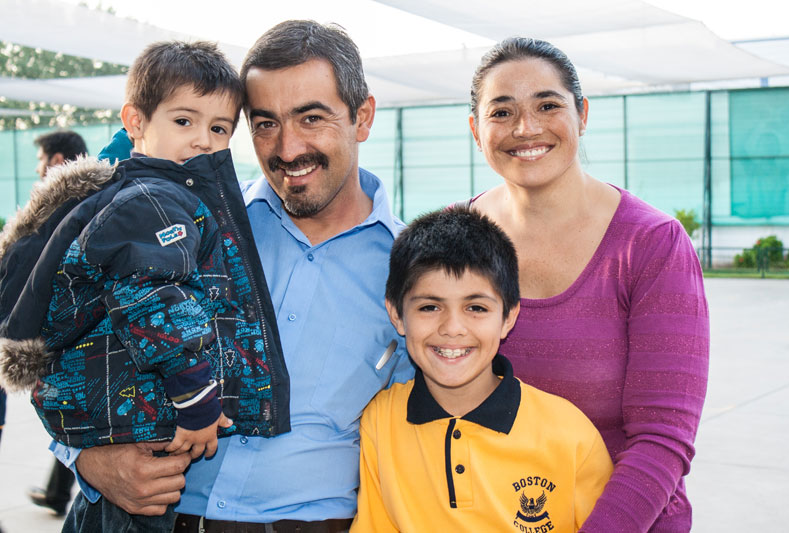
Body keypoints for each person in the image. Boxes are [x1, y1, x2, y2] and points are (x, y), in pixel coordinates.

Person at [49, 20, 414, 532]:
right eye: (265, 123)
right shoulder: (181, 224)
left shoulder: (411, 271)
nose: (287, 149)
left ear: (363, 116)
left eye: (311, 118)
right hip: (139, 516)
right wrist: (85, 459)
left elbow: (419, 432)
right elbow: (64, 337)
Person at [0, 40, 290, 531]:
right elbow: (156, 303)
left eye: (218, 128)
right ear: (135, 122)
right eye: (184, 121)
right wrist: (197, 400)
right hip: (135, 433)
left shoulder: (158, 194)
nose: (202, 140)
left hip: (125, 425)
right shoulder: (152, 201)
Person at [463, 37, 710, 532]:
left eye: (547, 105)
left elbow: (662, 440)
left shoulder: (651, 243)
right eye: (502, 112)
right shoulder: (457, 237)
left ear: (582, 114)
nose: (525, 128)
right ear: (475, 129)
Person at [351, 207, 614, 532]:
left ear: (508, 317)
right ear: (396, 315)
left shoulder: (572, 436)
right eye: (429, 307)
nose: (453, 328)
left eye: (476, 307)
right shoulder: (380, 421)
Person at [24, 129, 90, 516]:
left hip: (68, 336)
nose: (37, 168)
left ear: (58, 160)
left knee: (73, 414)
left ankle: (60, 493)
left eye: (41, 158)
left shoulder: (68, 207)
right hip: (69, 336)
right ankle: (58, 492)